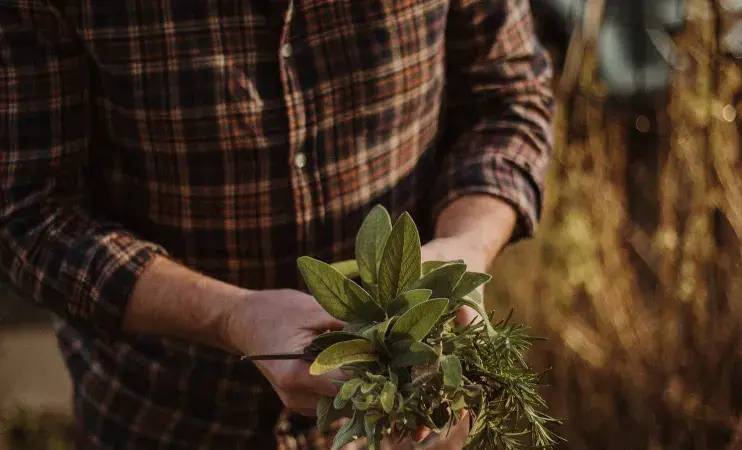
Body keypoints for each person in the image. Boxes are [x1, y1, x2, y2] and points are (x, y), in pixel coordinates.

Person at [0, 0, 553, 448]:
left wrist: (464, 247)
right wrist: (232, 316)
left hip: (396, 427)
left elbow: (507, 97)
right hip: (168, 413)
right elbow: (28, 213)